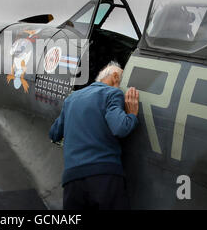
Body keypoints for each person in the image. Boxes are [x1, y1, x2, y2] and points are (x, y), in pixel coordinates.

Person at [49, 61, 139, 210]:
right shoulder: (113, 93)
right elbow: (120, 128)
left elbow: (54, 133)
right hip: (103, 177)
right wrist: (132, 114)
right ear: (115, 76)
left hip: (72, 180)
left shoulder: (72, 99)